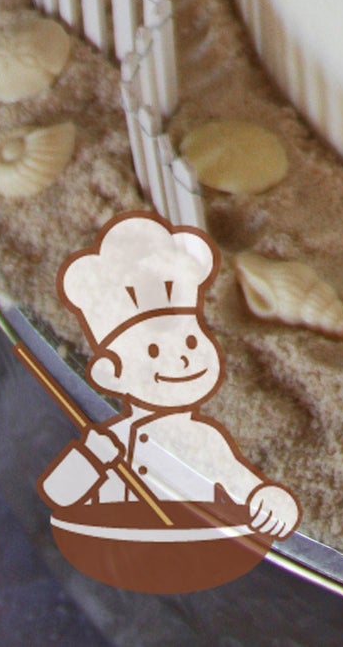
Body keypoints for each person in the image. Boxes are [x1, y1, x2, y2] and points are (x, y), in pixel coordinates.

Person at [37, 209, 300, 539]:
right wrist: (93, 455)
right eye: (153, 352)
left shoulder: (208, 439)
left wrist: (269, 499)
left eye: (192, 341)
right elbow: (59, 493)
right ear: (111, 374)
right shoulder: (114, 438)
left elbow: (246, 486)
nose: (184, 360)